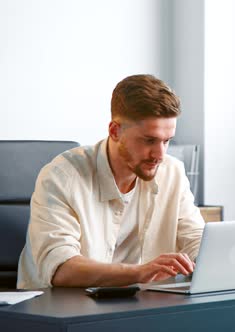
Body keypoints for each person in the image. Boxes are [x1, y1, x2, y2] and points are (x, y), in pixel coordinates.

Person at [17, 74, 204, 289]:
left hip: (136, 305)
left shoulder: (172, 172)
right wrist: (140, 272)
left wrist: (208, 261)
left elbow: (194, 238)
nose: (159, 155)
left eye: (167, 141)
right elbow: (60, 268)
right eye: (149, 140)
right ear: (115, 131)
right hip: (59, 308)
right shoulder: (61, 177)